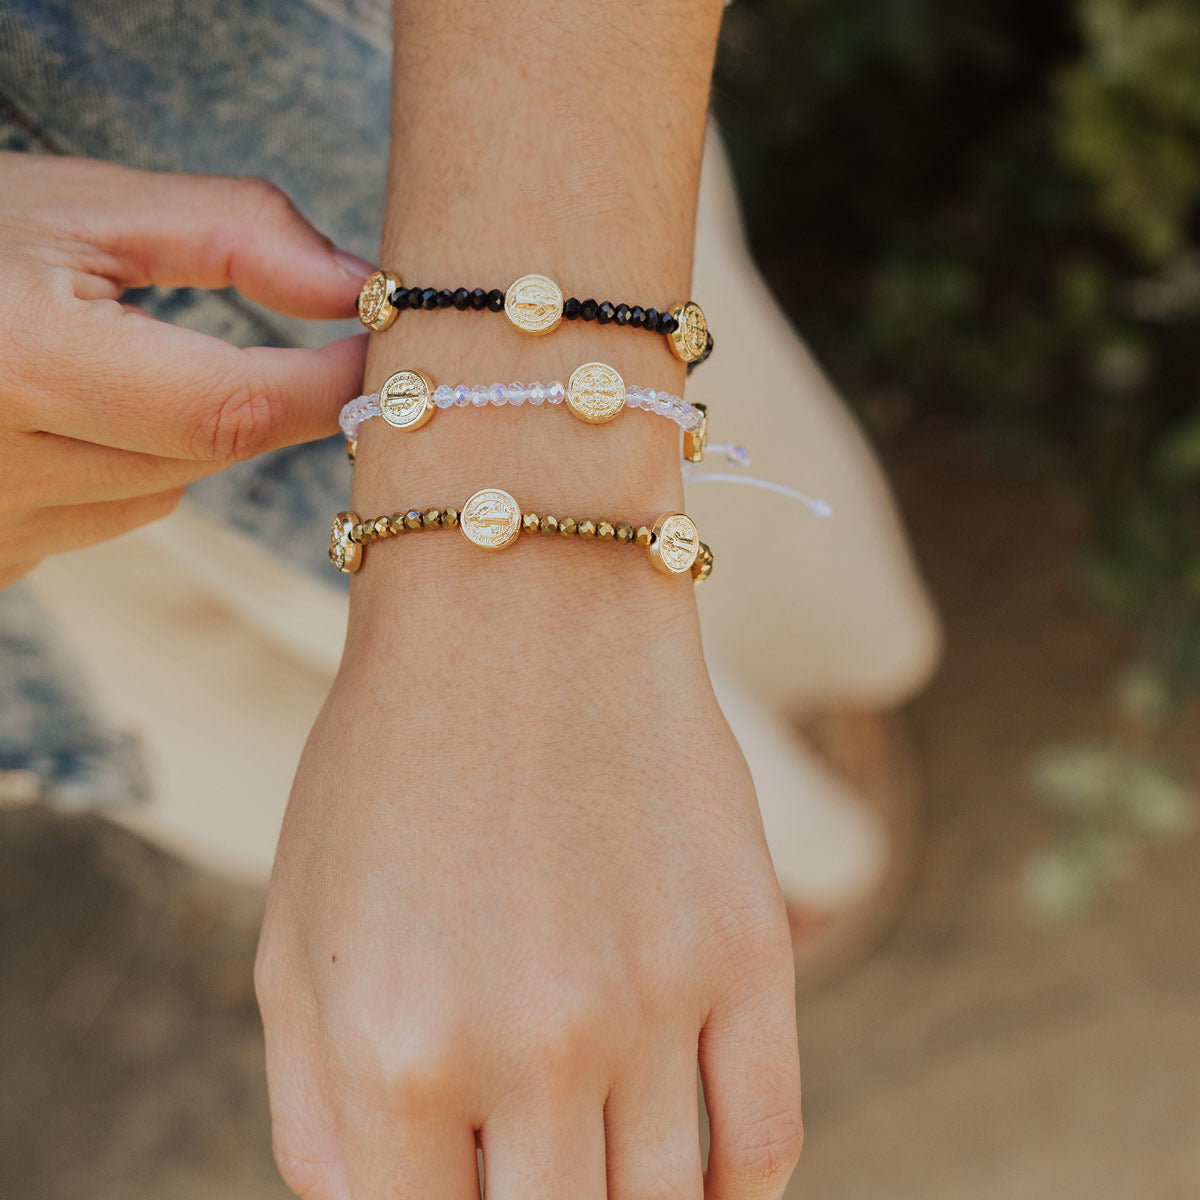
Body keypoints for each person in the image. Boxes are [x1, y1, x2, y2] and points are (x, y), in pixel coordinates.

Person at [0, 2, 940, 1196]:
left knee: (732, 581)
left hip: (464, 179)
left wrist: (513, 593)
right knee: (217, 737)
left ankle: (770, 753)